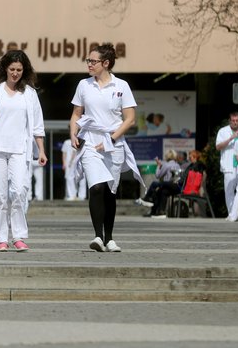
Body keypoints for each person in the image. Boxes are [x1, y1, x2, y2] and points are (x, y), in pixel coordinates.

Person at [69, 43, 143, 253]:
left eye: (93, 61)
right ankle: (98, 236)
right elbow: (76, 114)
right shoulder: (84, 85)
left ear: (106, 63)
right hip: (91, 141)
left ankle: (109, 238)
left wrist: (111, 139)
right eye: (88, 61)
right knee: (96, 187)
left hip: (113, 143)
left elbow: (130, 119)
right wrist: (73, 134)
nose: (89, 65)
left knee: (110, 191)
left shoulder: (121, 86)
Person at [0, 50, 47, 252]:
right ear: (5, 69)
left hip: (20, 149)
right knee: (0, 196)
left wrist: (41, 150)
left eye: (19, 70)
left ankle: (19, 236)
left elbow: (38, 126)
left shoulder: (30, 94)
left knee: (19, 191)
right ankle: (1, 238)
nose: (15, 73)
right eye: (12, 69)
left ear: (24, 71)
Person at [216, 111, 238, 219]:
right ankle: (232, 214)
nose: (235, 122)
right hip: (229, 165)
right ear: (229, 121)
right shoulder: (223, 131)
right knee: (229, 190)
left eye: (237, 120)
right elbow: (218, 147)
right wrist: (230, 138)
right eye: (233, 120)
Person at [135, 149, 181, 218]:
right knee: (162, 192)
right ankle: (159, 211)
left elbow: (158, 175)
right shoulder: (177, 165)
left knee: (154, 185)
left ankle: (147, 199)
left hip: (168, 185)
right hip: (175, 187)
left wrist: (158, 166)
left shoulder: (166, 165)